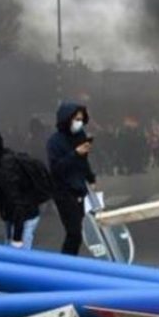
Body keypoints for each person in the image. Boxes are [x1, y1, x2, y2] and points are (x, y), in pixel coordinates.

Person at [0, 128, 42, 249]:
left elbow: (17, 202)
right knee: (12, 252)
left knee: (20, 257)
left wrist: (17, 237)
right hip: (13, 215)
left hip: (25, 216)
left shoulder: (5, 168)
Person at [46, 101, 96, 255]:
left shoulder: (80, 136)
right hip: (63, 191)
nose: (79, 123)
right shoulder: (54, 142)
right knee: (73, 232)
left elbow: (83, 162)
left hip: (79, 189)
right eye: (76, 119)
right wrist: (75, 153)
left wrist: (91, 178)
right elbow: (56, 168)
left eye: (81, 119)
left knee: (79, 232)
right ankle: (65, 262)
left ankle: (71, 260)